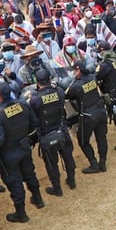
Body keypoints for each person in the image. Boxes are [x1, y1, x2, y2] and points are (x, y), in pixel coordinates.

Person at [0, 82, 43, 222]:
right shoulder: (23, 104)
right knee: (30, 174)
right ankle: (38, 199)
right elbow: (34, 123)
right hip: (24, 147)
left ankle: (21, 214)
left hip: (8, 154)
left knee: (14, 182)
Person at [25, 68, 77, 197]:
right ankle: (71, 181)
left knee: (51, 163)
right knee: (68, 156)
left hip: (46, 135)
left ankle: (57, 188)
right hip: (62, 130)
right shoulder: (59, 92)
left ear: (37, 82)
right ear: (49, 79)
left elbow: (33, 118)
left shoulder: (35, 100)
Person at [65, 59, 109, 175]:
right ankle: (103, 163)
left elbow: (67, 94)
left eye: (74, 70)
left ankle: (94, 164)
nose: (73, 73)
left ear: (78, 70)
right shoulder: (92, 77)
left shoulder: (76, 85)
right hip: (100, 110)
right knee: (101, 138)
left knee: (83, 140)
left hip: (88, 115)